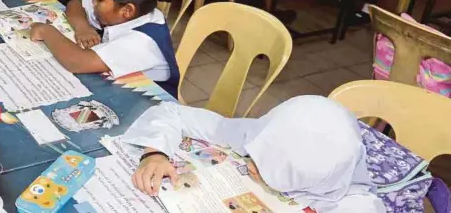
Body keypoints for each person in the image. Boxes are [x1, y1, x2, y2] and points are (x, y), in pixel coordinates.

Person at [124, 95, 385, 213]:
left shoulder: (357, 207)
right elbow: (173, 113)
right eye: (254, 157)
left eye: (265, 169)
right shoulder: (265, 134)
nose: (250, 166)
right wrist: (155, 154)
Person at [30, 0, 180, 98]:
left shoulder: (142, 42)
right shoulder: (129, 11)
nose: (93, 2)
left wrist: (46, 31)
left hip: (150, 106)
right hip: (122, 90)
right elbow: (76, 3)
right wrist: (83, 28)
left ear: (127, 10)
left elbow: (77, 62)